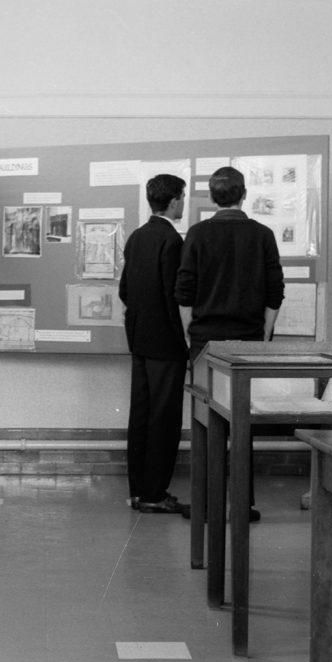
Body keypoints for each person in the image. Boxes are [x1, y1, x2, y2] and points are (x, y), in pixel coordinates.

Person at [175, 166, 285, 521]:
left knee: (205, 421)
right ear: (244, 195)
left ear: (211, 196)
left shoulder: (197, 233)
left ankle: (205, 502)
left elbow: (185, 293)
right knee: (242, 422)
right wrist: (263, 337)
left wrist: (192, 333)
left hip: (206, 341)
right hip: (248, 342)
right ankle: (242, 502)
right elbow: (274, 293)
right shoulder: (263, 234)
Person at [118, 174, 190, 516]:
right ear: (174, 201)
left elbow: (124, 291)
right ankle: (155, 494)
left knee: (141, 417)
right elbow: (176, 296)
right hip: (166, 344)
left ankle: (138, 491)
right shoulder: (172, 241)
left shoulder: (136, 237)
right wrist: (185, 342)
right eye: (183, 198)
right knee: (164, 420)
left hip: (140, 341)